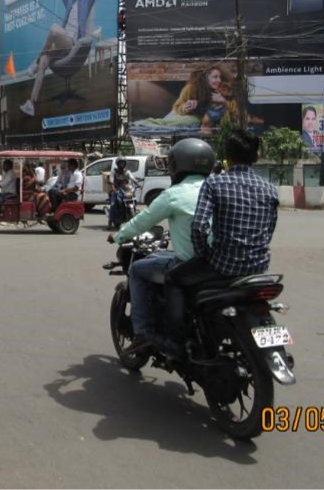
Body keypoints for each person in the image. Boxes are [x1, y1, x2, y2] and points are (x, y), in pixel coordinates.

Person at [163, 130, 280, 352]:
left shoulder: (216, 184)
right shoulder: (269, 188)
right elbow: (269, 229)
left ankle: (176, 341)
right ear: (255, 157)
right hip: (258, 267)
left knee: (173, 280)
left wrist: (203, 255)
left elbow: (199, 227)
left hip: (222, 265)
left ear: (226, 157)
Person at [109, 138, 216, 355]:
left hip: (191, 263)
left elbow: (143, 221)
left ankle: (143, 332)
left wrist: (119, 235)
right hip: (222, 261)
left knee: (137, 270)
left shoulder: (174, 194)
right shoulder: (220, 188)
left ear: (176, 166)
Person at [19, 0, 101, 117]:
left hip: (71, 43)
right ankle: (31, 103)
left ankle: (34, 63)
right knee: (45, 60)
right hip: (61, 45)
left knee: (54, 29)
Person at [170, 65, 240, 132]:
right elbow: (176, 107)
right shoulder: (191, 88)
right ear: (205, 78)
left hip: (215, 124)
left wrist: (223, 101)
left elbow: (235, 112)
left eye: (220, 77)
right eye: (215, 77)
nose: (219, 80)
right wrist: (185, 107)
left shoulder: (223, 89)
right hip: (194, 120)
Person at [107, 157, 137, 230]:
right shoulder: (114, 171)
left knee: (134, 199)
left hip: (125, 190)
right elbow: (111, 180)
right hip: (116, 190)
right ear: (117, 164)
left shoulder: (127, 171)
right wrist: (113, 187)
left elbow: (132, 178)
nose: (122, 164)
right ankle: (110, 222)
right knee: (113, 204)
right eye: (120, 163)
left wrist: (137, 183)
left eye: (123, 163)